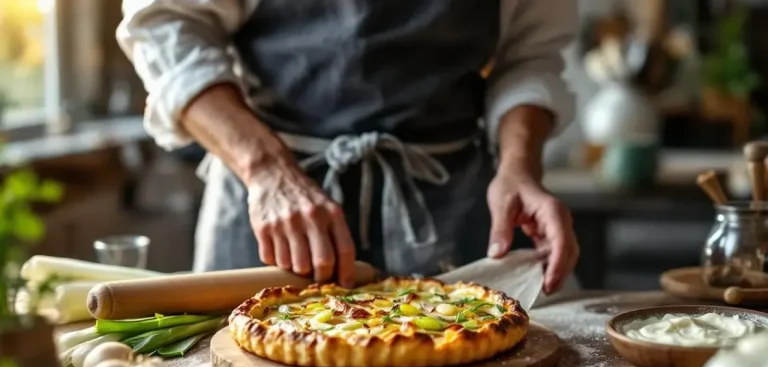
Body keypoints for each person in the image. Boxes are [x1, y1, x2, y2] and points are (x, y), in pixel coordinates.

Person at [118, 0, 580, 294]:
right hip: (275, 207)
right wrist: (266, 170)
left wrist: (520, 166)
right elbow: (164, 25)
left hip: (454, 210)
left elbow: (531, 58)